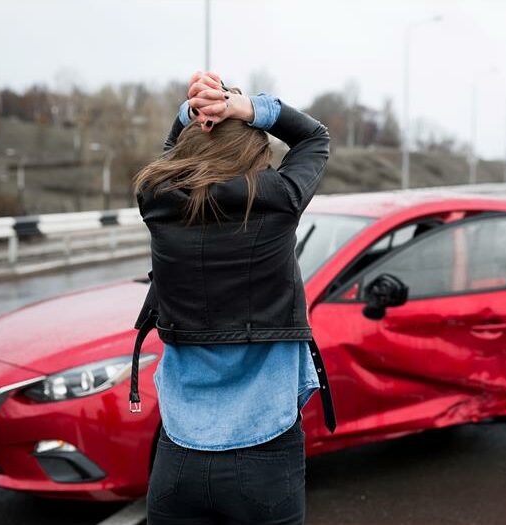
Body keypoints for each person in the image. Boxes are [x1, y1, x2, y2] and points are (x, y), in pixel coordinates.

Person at [129, 70, 335, 525]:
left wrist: (195, 110)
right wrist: (244, 107)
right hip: (265, 454)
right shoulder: (279, 199)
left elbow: (170, 154)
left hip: (178, 456)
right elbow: (313, 138)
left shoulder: (157, 202)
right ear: (255, 154)